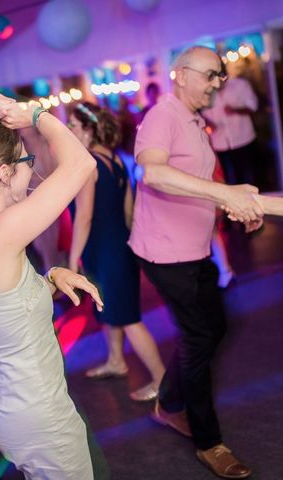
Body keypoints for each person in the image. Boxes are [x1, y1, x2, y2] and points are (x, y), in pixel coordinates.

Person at [0, 97, 103, 478]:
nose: (31, 170)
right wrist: (36, 116)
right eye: (25, 161)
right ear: (2, 173)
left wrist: (49, 278)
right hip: (33, 408)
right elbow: (83, 163)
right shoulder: (2, 234)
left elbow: (1, 305)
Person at [131, 46, 263, 479]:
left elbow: (199, 184)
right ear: (180, 74)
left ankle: (168, 404)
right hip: (166, 252)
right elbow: (154, 173)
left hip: (195, 247)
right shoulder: (162, 115)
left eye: (219, 77)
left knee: (212, 330)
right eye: (210, 75)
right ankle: (210, 442)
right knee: (199, 337)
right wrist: (225, 195)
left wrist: (234, 202)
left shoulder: (193, 121)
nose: (216, 84)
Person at [68, 102, 165, 402]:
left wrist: (72, 262)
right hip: (117, 248)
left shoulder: (88, 166)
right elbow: (128, 213)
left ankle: (162, 380)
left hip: (105, 252)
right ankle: (115, 360)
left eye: (72, 124)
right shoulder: (116, 160)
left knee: (127, 317)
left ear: (87, 129)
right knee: (108, 309)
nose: (68, 129)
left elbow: (83, 218)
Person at [202, 76, 259, 186]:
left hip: (243, 139)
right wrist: (208, 123)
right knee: (227, 180)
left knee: (248, 179)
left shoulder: (240, 85)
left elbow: (253, 107)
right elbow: (201, 113)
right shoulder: (206, 92)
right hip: (220, 143)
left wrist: (235, 110)